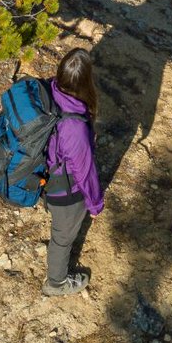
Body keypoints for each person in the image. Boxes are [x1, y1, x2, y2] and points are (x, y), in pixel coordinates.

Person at [42, 47, 104, 297]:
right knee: (62, 238)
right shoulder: (75, 128)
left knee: (61, 230)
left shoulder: (50, 90)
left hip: (47, 175)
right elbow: (85, 172)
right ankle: (55, 283)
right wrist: (95, 205)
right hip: (65, 192)